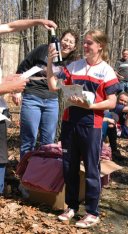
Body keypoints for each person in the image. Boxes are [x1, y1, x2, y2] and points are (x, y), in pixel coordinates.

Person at [47, 29, 119, 228]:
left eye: (89, 43)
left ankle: (92, 212)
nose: (85, 46)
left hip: (92, 124)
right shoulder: (74, 66)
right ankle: (71, 206)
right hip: (70, 122)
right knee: (69, 166)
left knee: (91, 168)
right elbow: (54, 86)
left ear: (100, 46)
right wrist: (49, 63)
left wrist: (92, 106)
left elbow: (112, 102)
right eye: (85, 43)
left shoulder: (106, 70)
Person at [0, 18, 57, 195]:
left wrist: (38, 21)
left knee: (1, 159)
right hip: (30, 98)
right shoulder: (39, 51)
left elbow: (11, 26)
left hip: (0, 113)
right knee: (28, 140)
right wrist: (8, 88)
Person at [12, 29, 79, 158]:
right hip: (32, 97)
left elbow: (67, 85)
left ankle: (43, 174)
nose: (67, 44)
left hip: (52, 101)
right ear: (60, 40)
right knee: (29, 139)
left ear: (74, 47)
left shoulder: (71, 64)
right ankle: (25, 174)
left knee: (48, 142)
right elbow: (23, 66)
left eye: (71, 42)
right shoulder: (44, 49)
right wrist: (17, 91)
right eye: (65, 40)